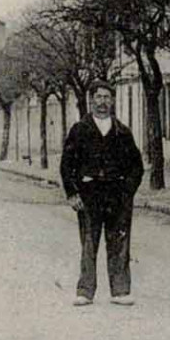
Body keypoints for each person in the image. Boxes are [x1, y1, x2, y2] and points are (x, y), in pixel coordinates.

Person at [60, 82, 144, 307]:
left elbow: (136, 166)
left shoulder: (122, 132)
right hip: (89, 195)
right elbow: (67, 164)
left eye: (107, 97)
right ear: (91, 100)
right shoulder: (80, 130)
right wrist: (72, 193)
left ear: (113, 101)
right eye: (98, 97)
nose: (103, 102)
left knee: (119, 242)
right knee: (89, 242)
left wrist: (127, 192)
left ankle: (120, 290)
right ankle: (85, 291)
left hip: (117, 196)